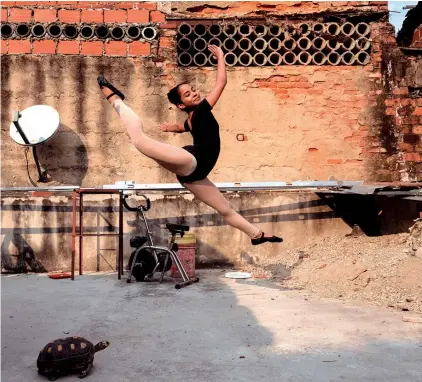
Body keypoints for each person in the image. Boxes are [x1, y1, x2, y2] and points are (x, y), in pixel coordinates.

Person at [97, 44, 283, 246]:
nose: (194, 93)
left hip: (196, 175)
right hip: (191, 161)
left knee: (225, 209)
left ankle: (257, 235)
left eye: (193, 90)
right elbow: (221, 82)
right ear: (181, 105)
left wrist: (170, 128)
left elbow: (182, 127)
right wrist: (221, 56)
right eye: (187, 94)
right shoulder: (202, 110)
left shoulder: (193, 118)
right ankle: (116, 99)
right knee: (140, 141)